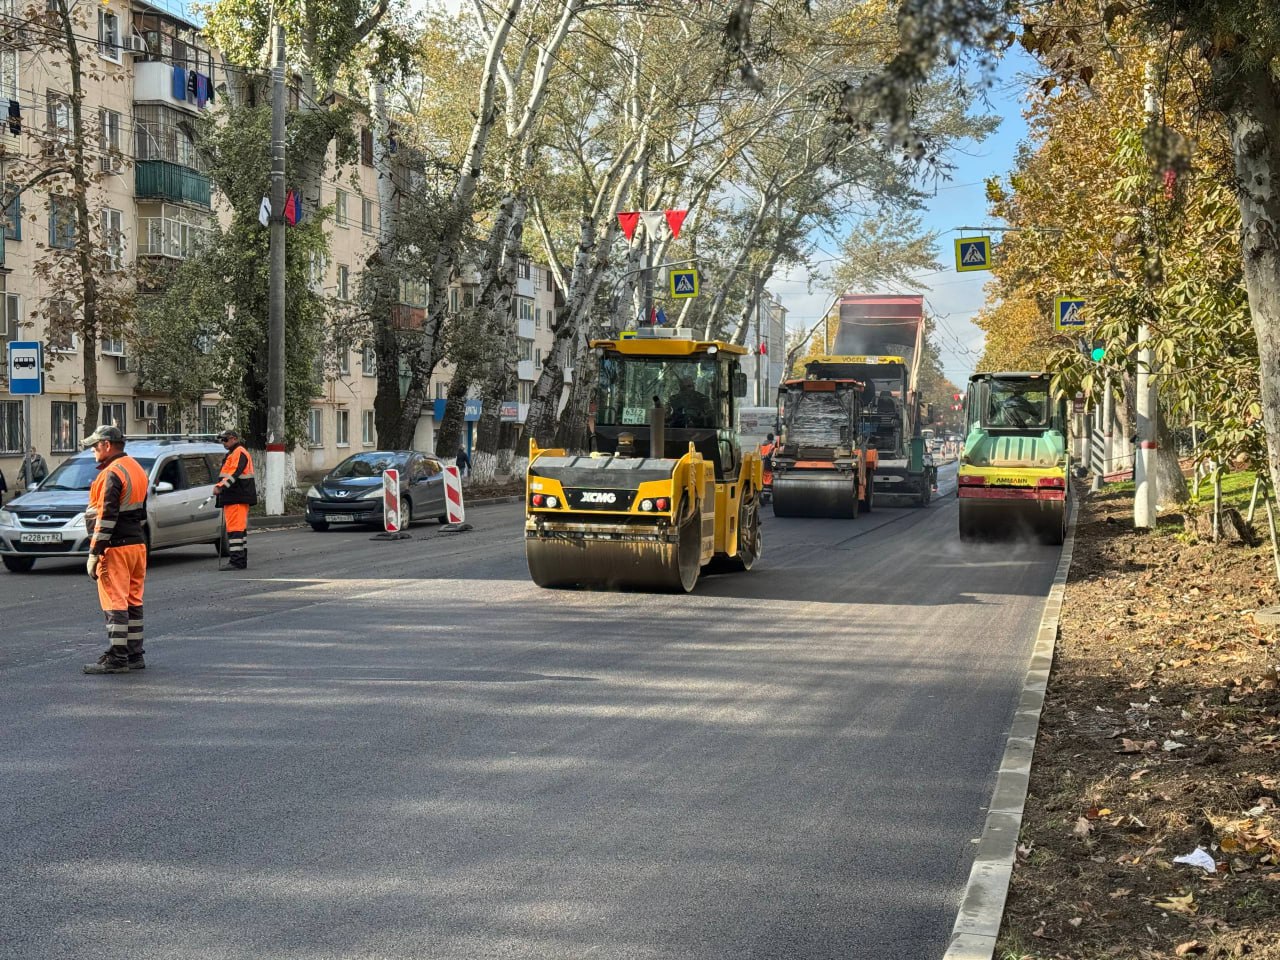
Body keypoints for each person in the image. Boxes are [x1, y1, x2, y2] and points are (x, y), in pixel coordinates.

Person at [81, 425, 150, 675]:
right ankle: (134, 654)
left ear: (107, 445)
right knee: (133, 601)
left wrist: (94, 552)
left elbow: (106, 517)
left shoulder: (112, 473)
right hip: (136, 545)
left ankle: (117, 658)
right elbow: (141, 512)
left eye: (95, 445)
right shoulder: (136, 468)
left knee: (115, 602)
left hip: (115, 548)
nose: (92, 450)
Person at [215, 429, 257, 570]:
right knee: (239, 530)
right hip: (236, 496)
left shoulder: (239, 452)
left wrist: (220, 486)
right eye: (222, 440)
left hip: (236, 496)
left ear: (234, 438)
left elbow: (233, 473)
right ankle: (240, 560)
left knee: (235, 529)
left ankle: (236, 561)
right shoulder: (234, 453)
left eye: (225, 439)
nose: (223, 443)